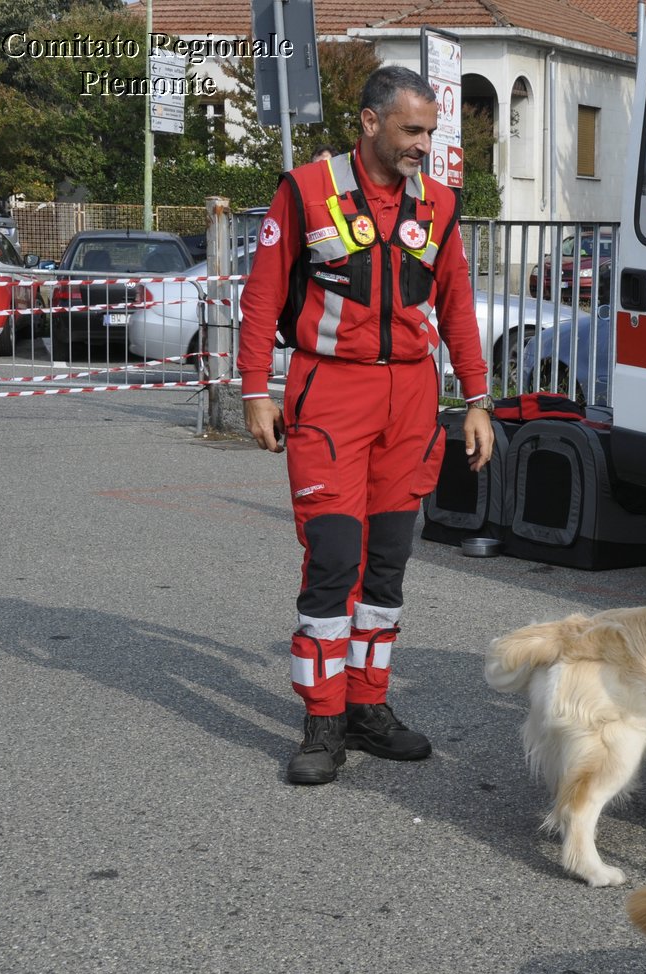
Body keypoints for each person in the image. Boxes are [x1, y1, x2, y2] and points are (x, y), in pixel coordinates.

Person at [239, 66, 496, 785]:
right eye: (413, 131)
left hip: (411, 400)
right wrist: (255, 390)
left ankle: (368, 705)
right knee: (332, 559)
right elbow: (262, 300)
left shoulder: (439, 205)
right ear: (370, 123)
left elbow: (457, 309)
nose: (425, 145)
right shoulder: (305, 190)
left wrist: (479, 402)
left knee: (387, 561)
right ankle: (321, 719)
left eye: (431, 132)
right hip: (329, 394)